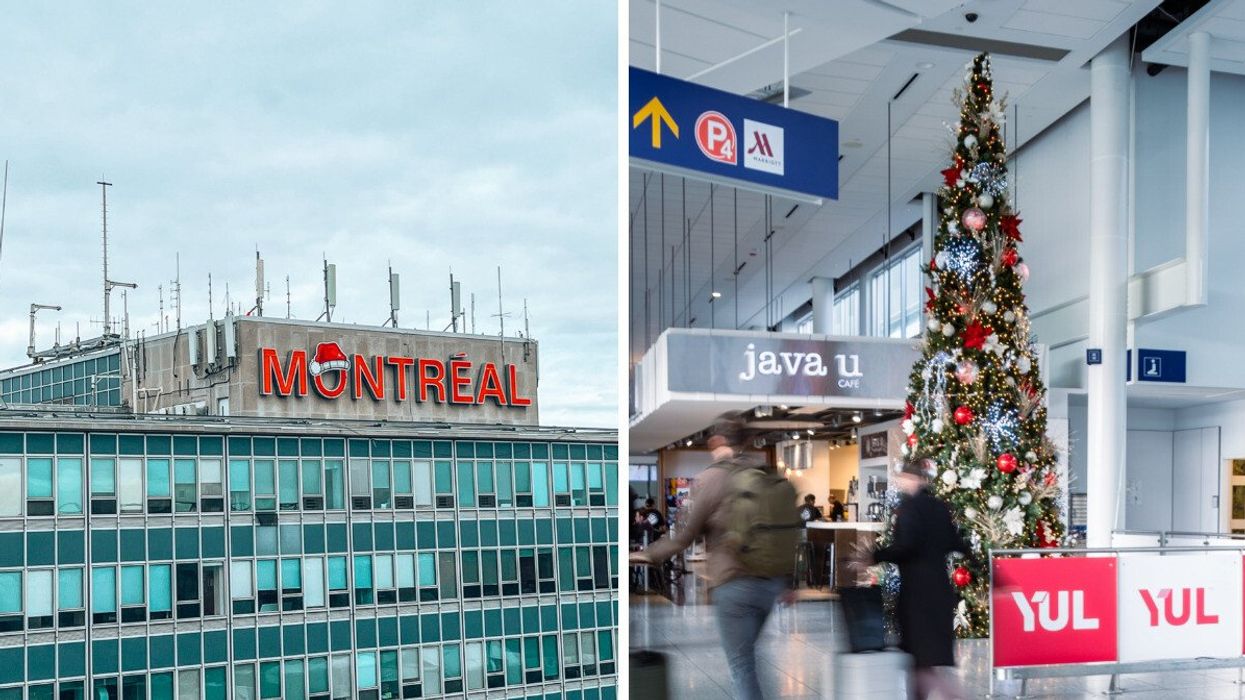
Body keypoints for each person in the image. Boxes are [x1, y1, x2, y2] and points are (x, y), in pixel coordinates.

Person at [630, 411, 797, 700]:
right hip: (771, 584)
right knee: (749, 657)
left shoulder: (711, 478)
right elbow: (785, 527)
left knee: (741, 665)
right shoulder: (767, 475)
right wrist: (789, 581)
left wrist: (645, 554)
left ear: (717, 440)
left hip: (735, 585)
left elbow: (683, 536)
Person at [864, 458, 970, 700]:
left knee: (921, 661)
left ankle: (956, 697)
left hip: (917, 597)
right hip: (939, 593)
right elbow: (958, 543)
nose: (903, 482)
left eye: (906, 478)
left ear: (916, 479)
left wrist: (875, 556)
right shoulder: (940, 507)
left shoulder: (910, 509)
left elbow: (906, 548)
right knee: (922, 662)